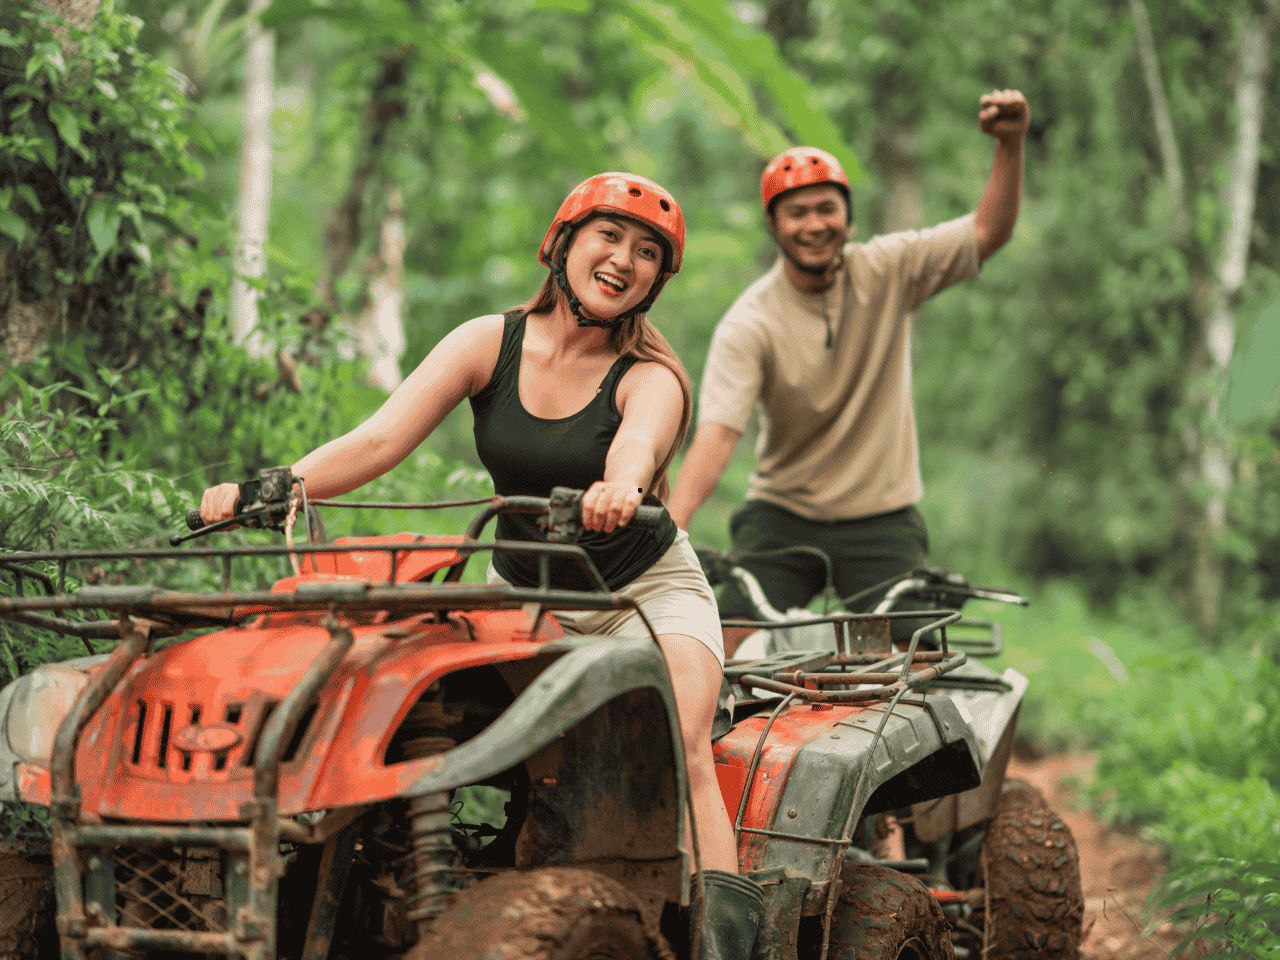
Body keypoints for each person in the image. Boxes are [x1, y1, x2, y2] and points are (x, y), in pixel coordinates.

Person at [200, 173, 763, 959]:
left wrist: (619, 489)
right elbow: (379, 440)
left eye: (645, 253)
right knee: (448, 723)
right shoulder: (487, 344)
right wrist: (272, 486)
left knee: (684, 744)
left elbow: (638, 447)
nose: (623, 260)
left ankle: (727, 944)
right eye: (609, 237)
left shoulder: (651, 376)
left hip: (643, 592)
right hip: (526, 592)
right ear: (562, 242)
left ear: (654, 282)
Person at [669, 90, 1031, 637]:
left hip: (881, 516)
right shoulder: (750, 322)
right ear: (774, 225)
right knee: (725, 636)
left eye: (826, 208)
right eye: (796, 212)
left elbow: (986, 233)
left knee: (913, 655)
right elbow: (718, 435)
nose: (814, 224)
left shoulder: (888, 270)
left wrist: (1010, 144)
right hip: (783, 513)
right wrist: (672, 532)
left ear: (848, 218)